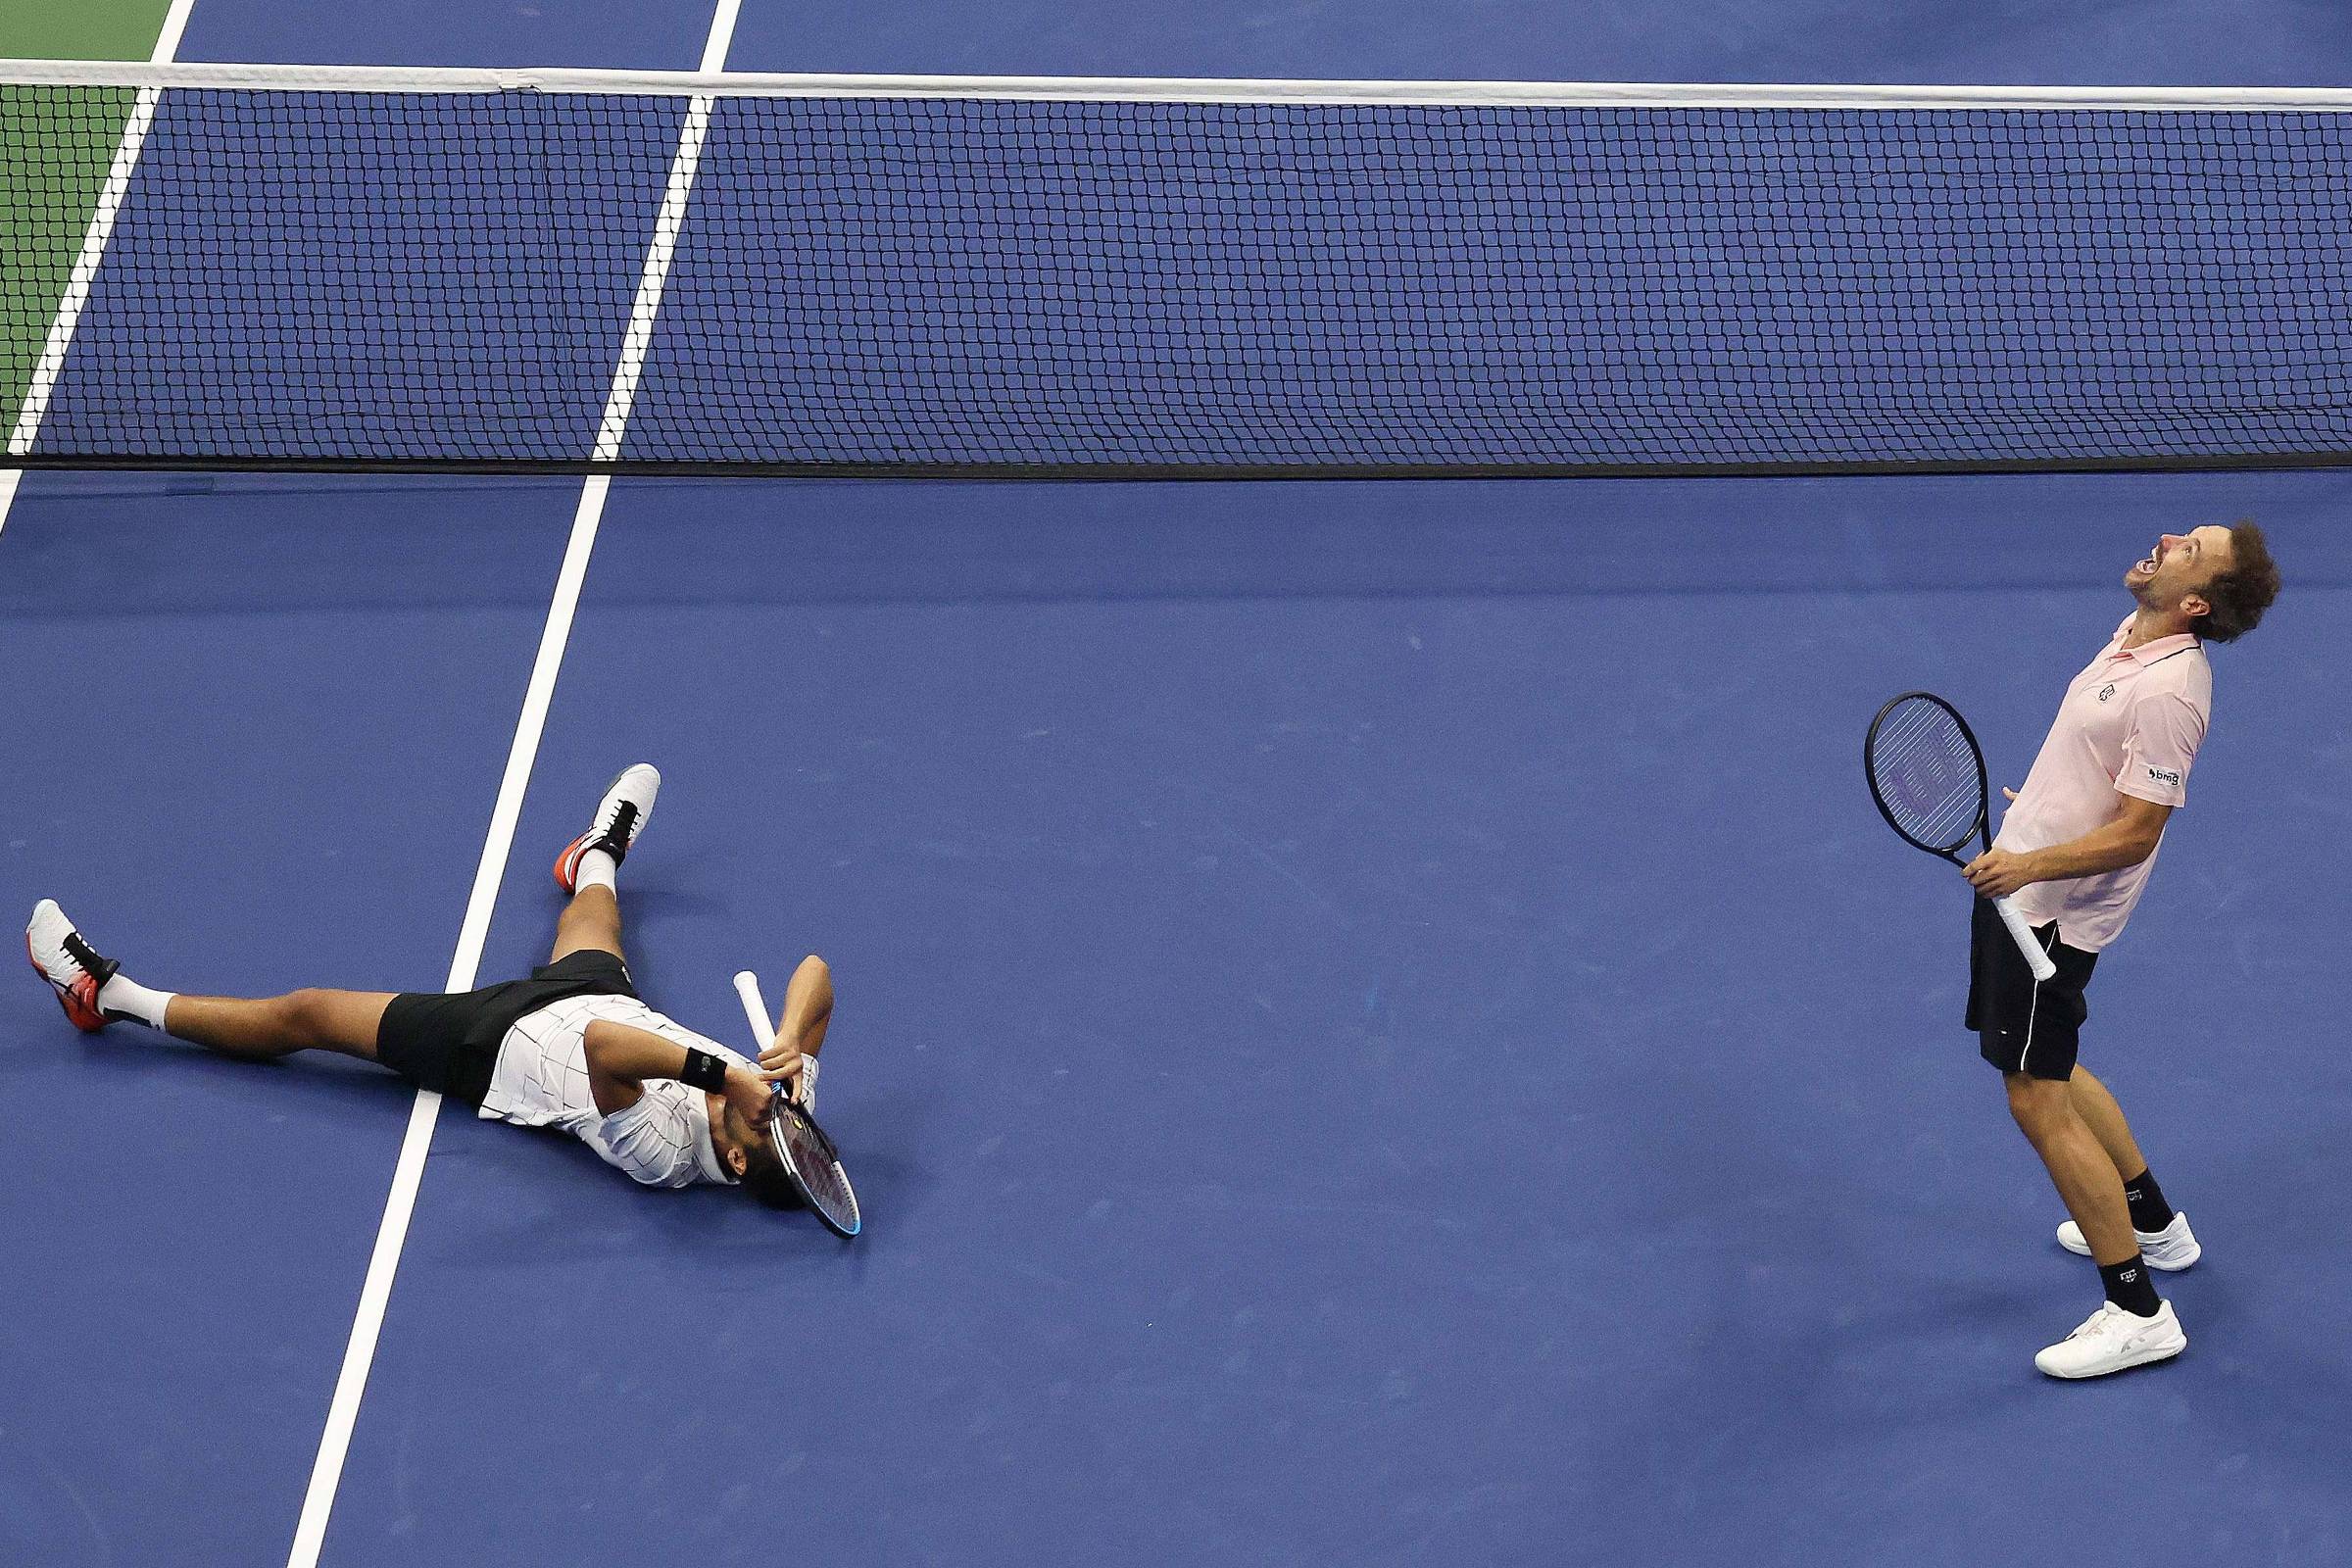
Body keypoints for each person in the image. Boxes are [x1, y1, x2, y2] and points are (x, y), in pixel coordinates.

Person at [26, 765, 830, 1203]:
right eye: (785, 1123)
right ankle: (594, 855)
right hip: (597, 993)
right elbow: (817, 976)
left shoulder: (664, 1159)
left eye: (763, 1129)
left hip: (489, 1045)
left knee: (309, 1013)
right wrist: (791, 1041)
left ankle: (107, 997)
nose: (775, 1117)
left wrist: (728, 1073)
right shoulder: (783, 1115)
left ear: (728, 1157)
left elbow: (604, 1049)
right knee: (596, 917)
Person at [1959, 521, 2279, 1378]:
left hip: (2047, 913)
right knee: (2050, 1063)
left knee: (2034, 1094)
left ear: (2195, 603)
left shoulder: (2172, 689)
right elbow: (2103, 777)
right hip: (2029, 885)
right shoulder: (2136, 637)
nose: (2169, 538)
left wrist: (2030, 860)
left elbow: (2139, 832)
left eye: (2190, 548)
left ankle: (2137, 1309)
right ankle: (2156, 1225)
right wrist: (2051, 811)